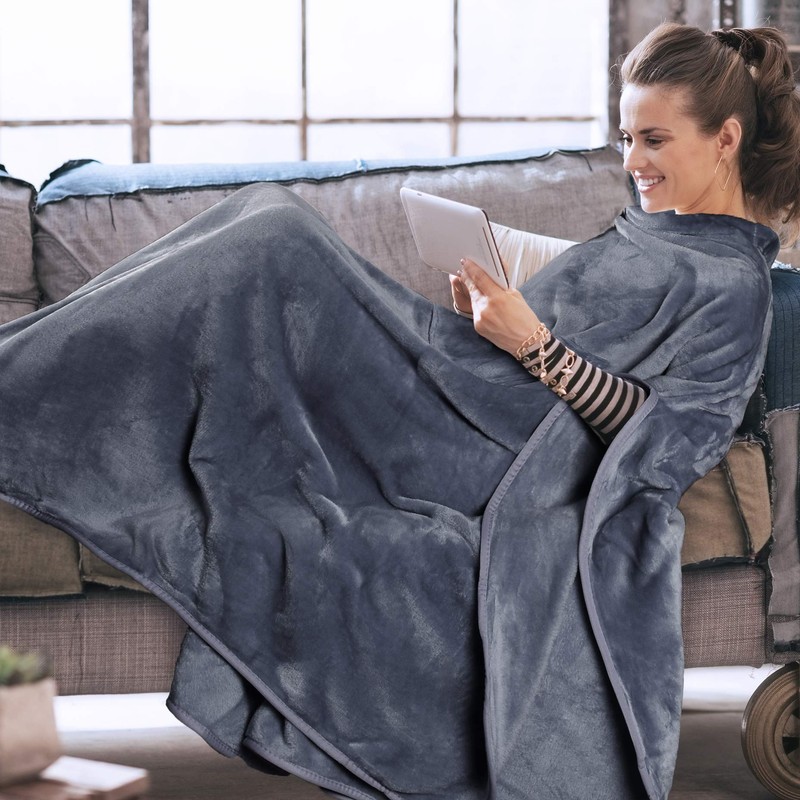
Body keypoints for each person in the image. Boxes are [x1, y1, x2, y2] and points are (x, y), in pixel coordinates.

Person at [1, 21, 800, 800]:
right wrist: (492, 317)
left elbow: (668, 443)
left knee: (275, 239)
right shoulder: (653, 231)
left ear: (725, 139)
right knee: (265, 220)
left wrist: (533, 346)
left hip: (486, 447)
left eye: (653, 140)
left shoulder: (733, 287)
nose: (631, 162)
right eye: (625, 139)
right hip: (462, 379)